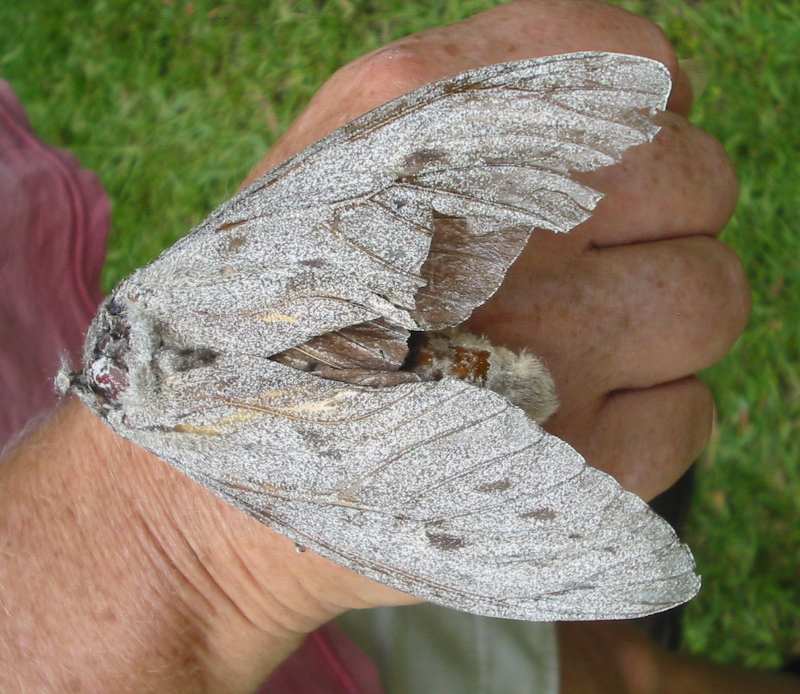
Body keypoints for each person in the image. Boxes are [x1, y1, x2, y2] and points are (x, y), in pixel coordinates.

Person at [0, 0, 795, 691]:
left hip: (371, 478)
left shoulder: (181, 423)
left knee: (605, 670)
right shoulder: (161, 314)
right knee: (606, 672)